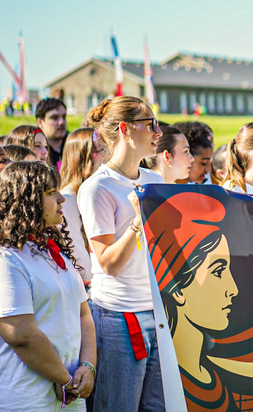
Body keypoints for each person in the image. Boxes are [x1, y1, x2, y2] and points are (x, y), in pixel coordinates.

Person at [0, 161, 96, 411]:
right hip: (18, 397)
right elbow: (20, 334)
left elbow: (83, 315)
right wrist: (65, 379)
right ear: (26, 201)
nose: (61, 199)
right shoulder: (2, 258)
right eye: (51, 192)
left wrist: (87, 366)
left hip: (67, 393)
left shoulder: (51, 250)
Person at [77, 96, 166, 411]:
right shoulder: (97, 188)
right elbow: (108, 263)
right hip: (117, 316)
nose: (158, 132)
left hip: (157, 313)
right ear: (126, 130)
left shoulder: (155, 180)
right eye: (150, 124)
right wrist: (138, 221)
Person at [144, 192, 237, 411]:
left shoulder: (216, 375)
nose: (234, 289)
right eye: (218, 271)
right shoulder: (166, 378)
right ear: (177, 289)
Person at [60, 128, 105, 284]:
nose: (107, 155)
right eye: (101, 149)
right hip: (89, 286)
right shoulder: (67, 200)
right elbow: (78, 255)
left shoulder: (101, 191)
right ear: (83, 156)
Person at [36, 98, 68, 167]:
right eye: (54, 118)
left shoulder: (75, 146)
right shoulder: (34, 153)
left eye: (64, 117)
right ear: (40, 122)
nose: (61, 122)